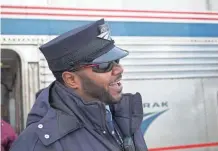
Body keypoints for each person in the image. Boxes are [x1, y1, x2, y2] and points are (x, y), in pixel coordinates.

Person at [10, 19, 148, 151]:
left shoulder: (123, 116)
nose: (119, 69)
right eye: (104, 65)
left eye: (116, 59)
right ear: (71, 79)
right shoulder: (37, 144)